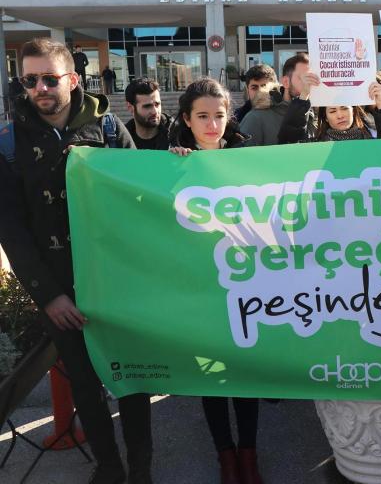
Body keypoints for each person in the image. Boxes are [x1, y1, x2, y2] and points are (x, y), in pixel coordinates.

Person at [0, 38, 151, 484]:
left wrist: (176, 164)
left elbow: (141, 199)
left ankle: (142, 468)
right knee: (84, 385)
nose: (40, 88)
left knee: (134, 381)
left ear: (72, 79)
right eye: (30, 80)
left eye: (49, 78)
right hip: (59, 287)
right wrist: (49, 297)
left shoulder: (108, 130)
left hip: (118, 283)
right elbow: (12, 231)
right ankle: (109, 468)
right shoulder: (8, 143)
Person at [168, 78, 258, 484]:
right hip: (200, 289)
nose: (211, 124)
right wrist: (172, 171)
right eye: (202, 116)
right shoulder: (170, 162)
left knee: (245, 372)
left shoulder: (246, 157)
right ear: (187, 119)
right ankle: (225, 455)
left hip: (245, 283)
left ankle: (249, 453)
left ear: (229, 117)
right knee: (213, 374)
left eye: (219, 116)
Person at [276, 71, 381, 143]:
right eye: (332, 111)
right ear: (326, 117)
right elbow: (289, 139)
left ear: (354, 112)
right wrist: (304, 96)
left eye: (345, 108)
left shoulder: (372, 143)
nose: (340, 115)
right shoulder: (315, 147)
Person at [239, 56, 315, 145]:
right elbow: (244, 156)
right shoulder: (254, 118)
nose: (309, 84)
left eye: (314, 78)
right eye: (304, 78)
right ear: (286, 82)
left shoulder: (314, 115)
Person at [125, 77, 173, 150]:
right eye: (147, 106)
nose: (155, 111)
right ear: (130, 108)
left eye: (157, 104)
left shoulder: (177, 135)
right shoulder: (121, 140)